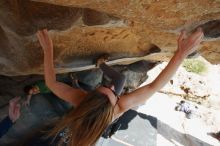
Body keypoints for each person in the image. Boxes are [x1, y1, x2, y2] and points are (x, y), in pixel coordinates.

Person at [33, 28, 203, 146]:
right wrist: (180, 55)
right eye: (114, 93)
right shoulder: (115, 106)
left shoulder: (82, 98)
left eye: (111, 90)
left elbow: (51, 83)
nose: (115, 89)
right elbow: (153, 87)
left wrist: (48, 50)